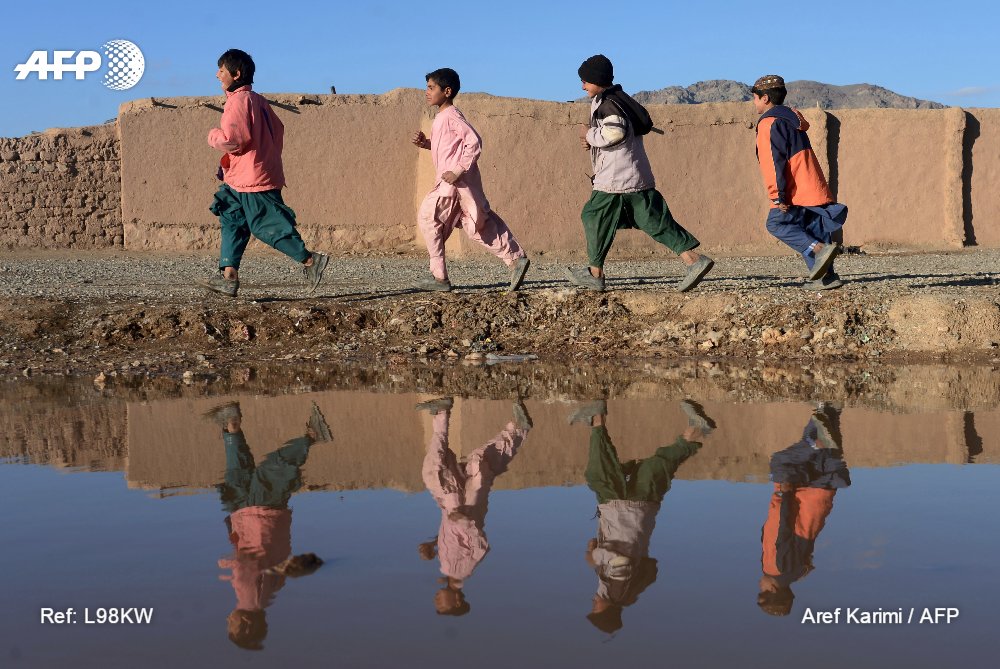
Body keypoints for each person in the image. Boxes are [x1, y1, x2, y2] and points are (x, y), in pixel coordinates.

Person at [564, 54, 714, 293]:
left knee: (593, 216)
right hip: (634, 174)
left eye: (585, 81)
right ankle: (693, 260)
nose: (582, 86)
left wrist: (589, 135)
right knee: (652, 219)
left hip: (616, 179)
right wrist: (594, 140)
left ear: (596, 80)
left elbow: (615, 133)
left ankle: (595, 273)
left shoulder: (608, 104)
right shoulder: (616, 99)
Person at [573, 398, 714, 633]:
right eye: (595, 609)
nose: (593, 603)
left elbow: (650, 569)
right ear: (607, 610)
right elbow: (621, 561)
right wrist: (594, 556)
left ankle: (696, 428)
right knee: (599, 474)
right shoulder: (617, 591)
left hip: (642, 512)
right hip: (620, 511)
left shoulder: (630, 591)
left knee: (657, 467)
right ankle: (597, 418)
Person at [200, 48, 329, 298]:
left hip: (252, 179)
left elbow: (234, 140)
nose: (217, 75)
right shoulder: (258, 100)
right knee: (232, 219)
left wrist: (213, 136)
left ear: (236, 74)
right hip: (242, 177)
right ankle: (228, 277)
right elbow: (277, 131)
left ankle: (311, 261)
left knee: (265, 226)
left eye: (222, 70)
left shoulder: (238, 101)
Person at [206, 400, 329, 649]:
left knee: (239, 472)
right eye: (232, 625)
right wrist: (225, 563)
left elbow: (272, 563)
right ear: (246, 625)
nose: (228, 619)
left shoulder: (271, 593)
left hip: (256, 520)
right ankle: (312, 436)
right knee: (271, 470)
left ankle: (232, 423)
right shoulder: (249, 598)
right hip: (258, 518)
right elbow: (248, 564)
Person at [410, 68, 530, 292]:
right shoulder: (442, 118)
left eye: (431, 88)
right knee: (477, 226)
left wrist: (457, 170)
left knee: (429, 218)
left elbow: (474, 142)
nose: (426, 92)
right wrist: (426, 143)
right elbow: (447, 147)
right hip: (456, 185)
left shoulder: (452, 116)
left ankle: (439, 279)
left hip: (452, 184)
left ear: (447, 91)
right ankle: (516, 260)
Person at [416, 397, 532, 615]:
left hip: (453, 505)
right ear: (457, 601)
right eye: (442, 604)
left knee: (475, 464)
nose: (437, 600)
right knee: (439, 471)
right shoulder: (461, 570)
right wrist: (463, 520)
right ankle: (443, 413)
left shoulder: (449, 569)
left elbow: (454, 540)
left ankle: (517, 429)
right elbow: (480, 545)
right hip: (462, 506)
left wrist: (433, 544)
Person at [752, 74, 849, 290]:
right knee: (812, 227)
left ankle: (819, 249)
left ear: (765, 98)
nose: (754, 103)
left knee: (776, 223)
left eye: (755, 98)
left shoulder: (769, 123)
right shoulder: (791, 120)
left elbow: (773, 162)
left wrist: (778, 195)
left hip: (793, 189)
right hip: (811, 184)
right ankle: (827, 278)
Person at [757, 403, 851, 616]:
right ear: (772, 589)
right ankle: (823, 414)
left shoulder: (798, 572)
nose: (759, 585)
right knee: (781, 462)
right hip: (803, 495)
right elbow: (783, 530)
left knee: (825, 449)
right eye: (761, 591)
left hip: (819, 496)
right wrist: (785, 493)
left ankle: (831, 404)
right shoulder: (776, 567)